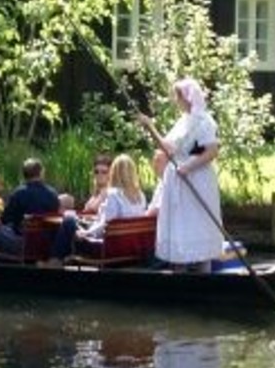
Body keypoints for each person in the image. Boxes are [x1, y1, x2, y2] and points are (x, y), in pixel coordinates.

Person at [137, 77, 223, 271]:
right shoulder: (183, 121)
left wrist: (189, 167)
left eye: (178, 96)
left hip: (197, 179)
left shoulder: (204, 122)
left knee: (198, 223)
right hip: (178, 180)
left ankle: (204, 273)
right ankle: (179, 273)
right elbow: (168, 149)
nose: (176, 101)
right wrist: (150, 127)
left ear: (188, 98)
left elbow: (211, 150)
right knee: (179, 227)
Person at [46, 154, 148, 262]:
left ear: (114, 172)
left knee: (68, 221)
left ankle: (54, 262)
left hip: (107, 249)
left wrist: (87, 233)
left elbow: (105, 225)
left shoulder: (113, 194)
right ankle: (57, 261)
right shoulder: (141, 195)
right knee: (71, 223)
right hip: (131, 248)